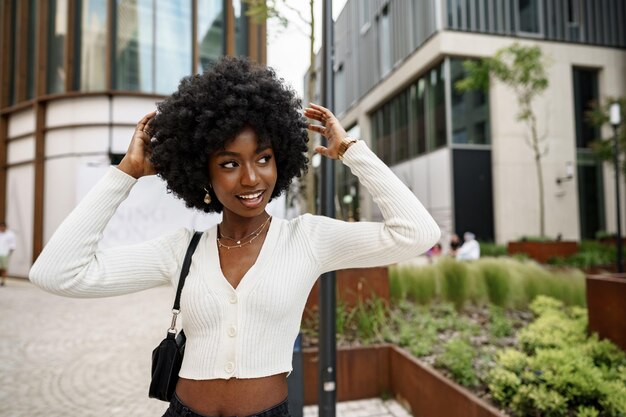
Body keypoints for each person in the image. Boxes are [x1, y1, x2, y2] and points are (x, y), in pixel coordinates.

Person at [29, 57, 440, 417]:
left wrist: (352, 150)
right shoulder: (180, 250)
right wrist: (126, 174)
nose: (251, 178)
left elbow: (417, 233)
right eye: (229, 164)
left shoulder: (308, 238)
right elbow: (56, 273)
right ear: (203, 173)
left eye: (263, 158)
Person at [0, 221, 16, 286]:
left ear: (5, 227)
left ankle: (3, 281)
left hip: (4, 254)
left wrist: (9, 254)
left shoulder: (10, 234)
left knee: (4, 268)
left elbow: (12, 245)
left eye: (2, 227)